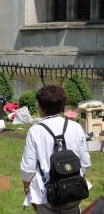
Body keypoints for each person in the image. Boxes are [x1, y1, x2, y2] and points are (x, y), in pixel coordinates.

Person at [20, 85, 91, 214]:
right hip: (73, 192)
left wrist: (28, 192)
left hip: (46, 194)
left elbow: (28, 169)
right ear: (62, 106)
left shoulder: (35, 131)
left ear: (41, 108)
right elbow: (85, 163)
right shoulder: (76, 127)